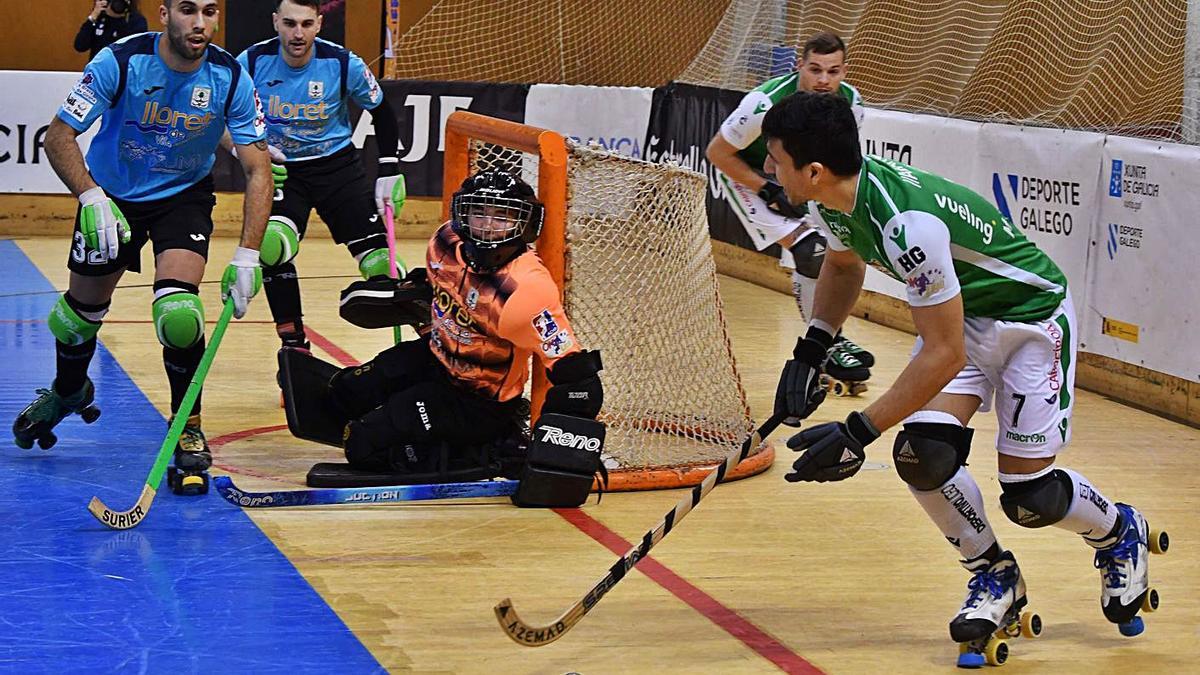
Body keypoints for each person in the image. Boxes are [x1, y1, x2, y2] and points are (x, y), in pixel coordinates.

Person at [764, 92, 1166, 663]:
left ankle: (1118, 529)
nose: (767, 169)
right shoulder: (833, 200)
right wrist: (811, 348)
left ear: (813, 170)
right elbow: (844, 263)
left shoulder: (906, 226)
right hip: (967, 321)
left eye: (775, 158)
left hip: (1031, 324)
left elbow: (943, 353)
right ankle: (995, 574)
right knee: (921, 455)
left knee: (1030, 496)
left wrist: (857, 431)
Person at [14, 0, 273, 496]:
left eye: (210, 11)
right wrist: (90, 197)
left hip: (183, 197)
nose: (199, 23)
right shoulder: (120, 60)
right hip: (113, 196)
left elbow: (259, 168)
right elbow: (59, 136)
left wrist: (247, 255)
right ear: (164, 15)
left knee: (180, 314)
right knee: (73, 319)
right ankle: (69, 392)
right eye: (188, 10)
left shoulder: (231, 76)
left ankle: (187, 424)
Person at [282, 170, 606, 507]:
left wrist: (557, 454)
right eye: (479, 212)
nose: (487, 225)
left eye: (502, 216)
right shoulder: (444, 243)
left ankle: (494, 445)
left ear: (524, 224)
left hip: (476, 400)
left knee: (362, 444)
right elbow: (436, 292)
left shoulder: (526, 290)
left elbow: (575, 376)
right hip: (435, 356)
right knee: (343, 392)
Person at [230, 0, 404, 355]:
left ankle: (413, 353)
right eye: (290, 23)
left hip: (337, 168)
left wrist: (389, 166)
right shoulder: (250, 62)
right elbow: (224, 113)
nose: (298, 33)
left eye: (306, 24)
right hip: (281, 170)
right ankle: (294, 348)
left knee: (383, 266)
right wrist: (246, 152)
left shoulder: (342, 63)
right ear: (276, 22)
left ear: (320, 24)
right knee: (273, 248)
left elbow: (382, 111)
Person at [706, 31, 874, 392]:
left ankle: (822, 342)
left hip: (805, 179)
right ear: (800, 66)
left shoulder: (851, 103)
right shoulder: (762, 104)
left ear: (845, 71)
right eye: (815, 69)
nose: (824, 80)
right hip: (753, 178)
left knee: (827, 256)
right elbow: (718, 153)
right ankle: (829, 345)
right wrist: (767, 187)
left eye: (833, 71)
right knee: (810, 252)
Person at [75, 0, 149, 59]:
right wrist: (92, 17)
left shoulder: (136, 21)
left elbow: (136, 51)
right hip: (99, 71)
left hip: (123, 73)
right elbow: (80, 46)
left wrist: (120, 20)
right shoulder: (99, 17)